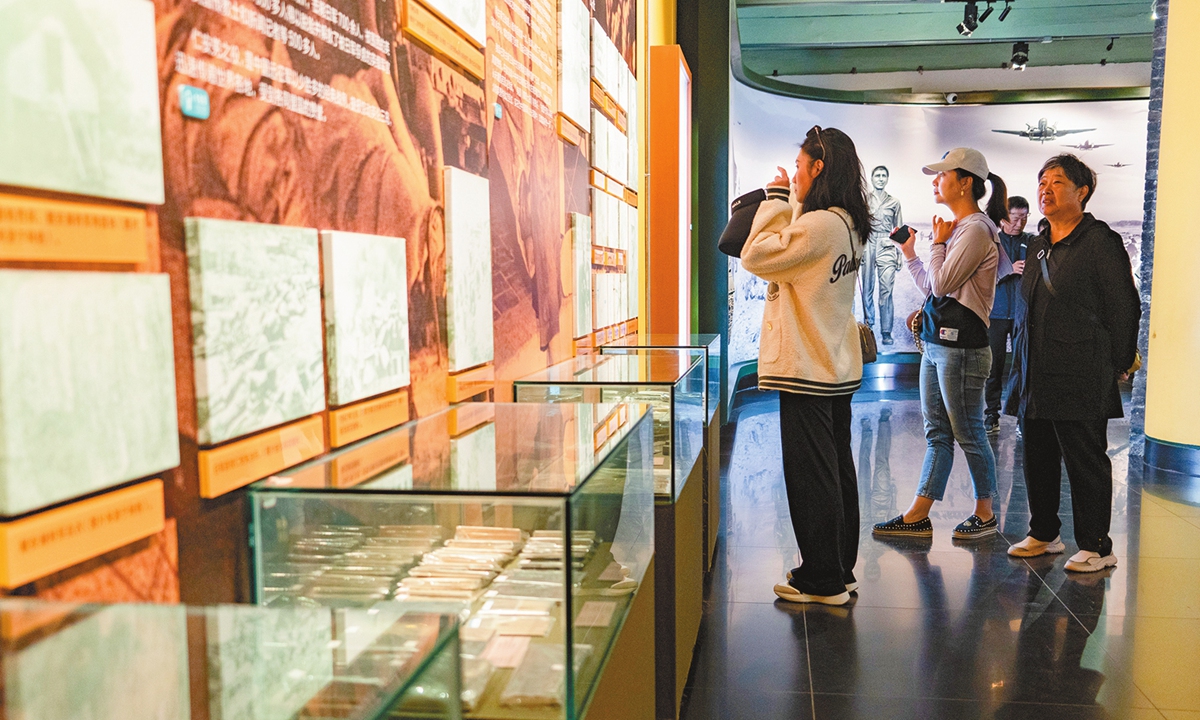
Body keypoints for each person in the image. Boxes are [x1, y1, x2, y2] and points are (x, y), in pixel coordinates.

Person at [740, 125, 871, 606]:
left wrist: (774, 198)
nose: (793, 174)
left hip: (808, 367)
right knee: (835, 468)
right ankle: (838, 567)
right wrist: (792, 202)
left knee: (811, 474)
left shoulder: (819, 227)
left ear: (819, 167)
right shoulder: (846, 223)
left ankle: (821, 580)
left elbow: (757, 254)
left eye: (798, 166)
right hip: (832, 365)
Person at [1004, 154, 1140, 572]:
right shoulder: (1038, 242)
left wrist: (1119, 361)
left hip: (1081, 368)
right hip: (1035, 369)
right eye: (1042, 181)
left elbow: (1124, 306)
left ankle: (1097, 546)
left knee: (1085, 459)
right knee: (1037, 454)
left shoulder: (1100, 241)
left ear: (1082, 192)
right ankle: (1044, 533)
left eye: (1057, 182)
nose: (1045, 189)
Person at [873, 147, 1004, 540]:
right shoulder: (958, 229)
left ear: (965, 182)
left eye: (943, 174)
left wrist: (936, 245)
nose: (936, 181)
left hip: (962, 349)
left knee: (968, 431)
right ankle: (918, 512)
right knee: (938, 433)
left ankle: (985, 512)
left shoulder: (977, 229)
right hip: (938, 344)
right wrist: (912, 252)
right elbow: (932, 287)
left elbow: (943, 283)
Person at [985, 196, 1033, 434]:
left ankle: (1021, 418)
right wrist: (1009, 270)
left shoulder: (1032, 242)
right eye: (1015, 218)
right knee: (993, 368)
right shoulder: (992, 242)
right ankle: (990, 415)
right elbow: (980, 277)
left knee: (1021, 368)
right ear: (1004, 219)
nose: (1020, 223)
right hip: (995, 313)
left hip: (1022, 315)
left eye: (1024, 218)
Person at [862, 166, 905, 344]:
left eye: (883, 176)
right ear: (872, 179)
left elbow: (899, 228)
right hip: (868, 243)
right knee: (867, 289)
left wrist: (900, 254)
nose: (880, 179)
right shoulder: (864, 200)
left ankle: (886, 331)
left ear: (887, 179)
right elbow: (860, 225)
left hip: (887, 245)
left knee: (886, 289)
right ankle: (868, 327)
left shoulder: (894, 202)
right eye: (877, 175)